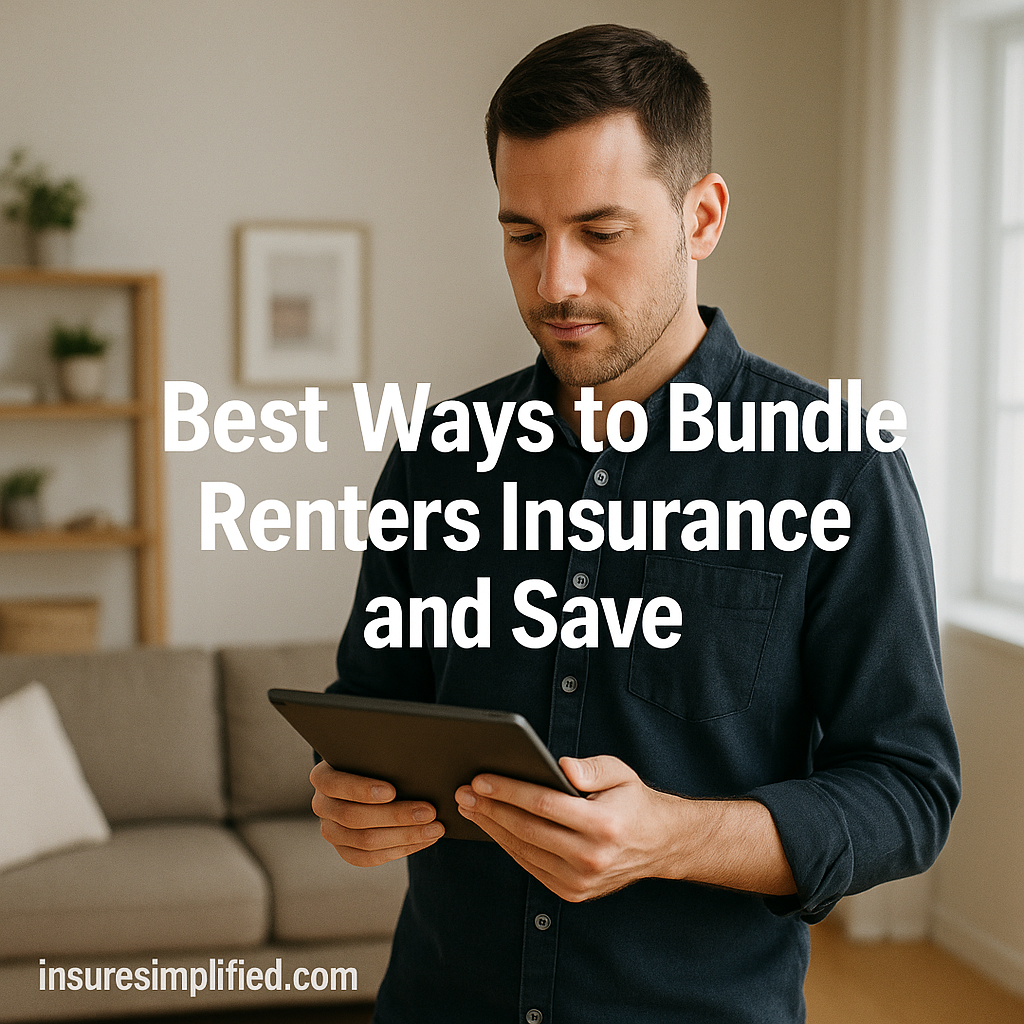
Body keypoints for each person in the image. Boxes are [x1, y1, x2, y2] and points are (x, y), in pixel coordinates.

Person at [310, 24, 960, 1023]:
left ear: (701, 217)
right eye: (521, 233)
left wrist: (673, 835)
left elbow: (907, 793)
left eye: (599, 233)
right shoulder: (437, 460)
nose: (552, 281)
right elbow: (369, 707)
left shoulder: (838, 469)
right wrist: (344, 794)